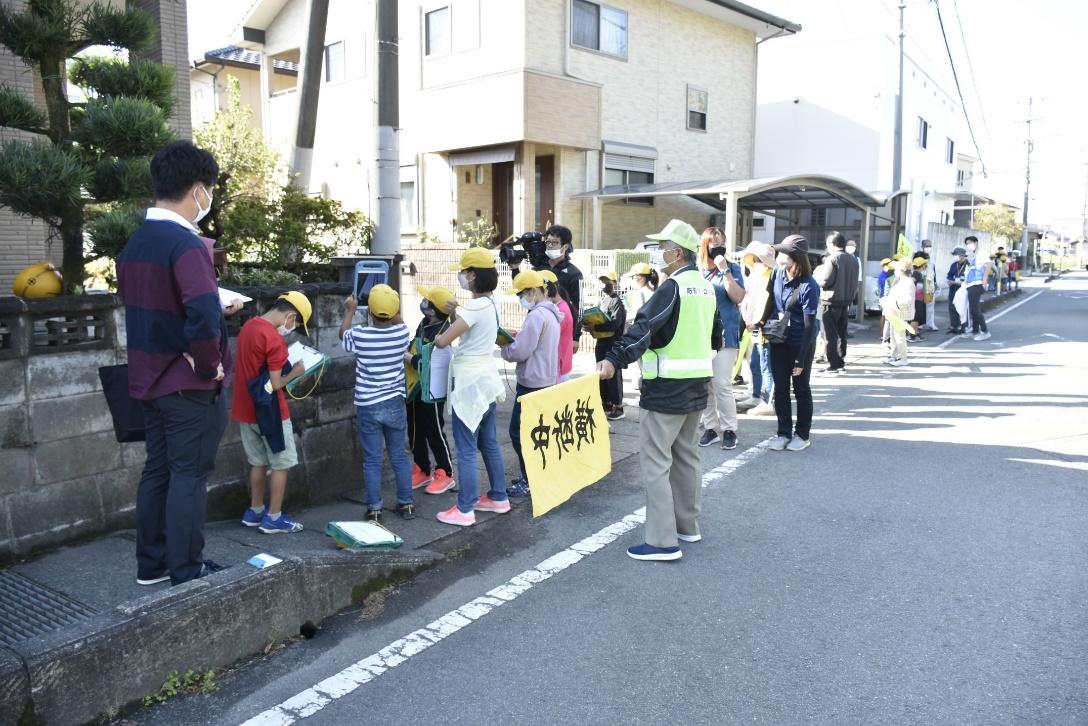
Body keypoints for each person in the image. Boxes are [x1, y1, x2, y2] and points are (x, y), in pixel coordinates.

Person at [118, 140, 230, 586]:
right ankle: (187, 570)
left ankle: (151, 564)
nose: (210, 200)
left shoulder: (136, 243)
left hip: (148, 379)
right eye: (211, 191)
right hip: (187, 385)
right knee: (189, 476)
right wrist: (208, 365)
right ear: (198, 190)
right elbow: (202, 312)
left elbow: (147, 305)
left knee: (158, 471)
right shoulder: (186, 244)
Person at [597, 219, 721, 562]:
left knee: (656, 463)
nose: (659, 253)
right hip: (698, 386)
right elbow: (716, 336)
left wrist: (613, 359)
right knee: (687, 458)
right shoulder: (706, 286)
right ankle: (688, 526)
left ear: (677, 253)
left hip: (666, 389)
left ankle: (662, 541)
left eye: (662, 246)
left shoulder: (673, 287)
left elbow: (644, 328)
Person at [433, 248, 510, 525]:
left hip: (469, 384)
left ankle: (465, 509)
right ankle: (499, 497)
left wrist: (448, 320)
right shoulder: (490, 303)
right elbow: (468, 329)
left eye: (465, 272)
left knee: (466, 448)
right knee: (489, 443)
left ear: (474, 275)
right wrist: (457, 315)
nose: (462, 277)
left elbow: (443, 341)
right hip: (487, 380)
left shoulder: (474, 307)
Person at [235, 292, 312, 534]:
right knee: (281, 463)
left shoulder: (249, 326)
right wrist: (297, 372)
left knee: (257, 462)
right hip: (271, 413)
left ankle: (255, 511)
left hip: (246, 409)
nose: (293, 328)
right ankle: (273, 518)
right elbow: (277, 383)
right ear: (290, 316)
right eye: (296, 323)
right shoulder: (274, 340)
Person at [340, 284, 416, 521]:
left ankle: (374, 508)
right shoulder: (401, 334)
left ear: (369, 312)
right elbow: (400, 322)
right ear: (394, 311)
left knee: (372, 459)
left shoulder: (360, 335)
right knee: (399, 456)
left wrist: (350, 310)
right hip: (394, 402)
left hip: (368, 405)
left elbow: (343, 335)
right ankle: (406, 504)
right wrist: (393, 309)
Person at [501, 270, 562, 497]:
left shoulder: (536, 315)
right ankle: (536, 475)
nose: (520, 298)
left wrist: (505, 346)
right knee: (536, 434)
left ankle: (529, 479)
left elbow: (521, 351)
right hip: (545, 379)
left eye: (521, 293)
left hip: (531, 383)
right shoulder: (552, 313)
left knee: (519, 433)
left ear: (534, 291)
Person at [764, 235, 819, 452]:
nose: (780, 257)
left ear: (797, 257)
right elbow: (771, 301)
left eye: (785, 253)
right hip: (779, 340)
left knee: (801, 388)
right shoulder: (777, 273)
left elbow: (808, 326)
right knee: (781, 388)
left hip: (800, 342)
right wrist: (761, 322)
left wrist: (801, 358)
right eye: (780, 252)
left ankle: (802, 434)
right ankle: (783, 432)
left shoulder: (809, 285)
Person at [696, 228, 745, 451]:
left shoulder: (732, 268)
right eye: (714, 243)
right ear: (705, 246)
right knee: (704, 383)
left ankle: (729, 430)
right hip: (701, 335)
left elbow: (738, 297)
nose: (719, 247)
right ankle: (711, 427)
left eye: (722, 243)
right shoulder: (697, 271)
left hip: (725, 334)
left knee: (721, 383)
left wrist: (725, 271)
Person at [409, 285, 456, 496]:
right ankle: (422, 467)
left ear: (434, 310)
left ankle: (444, 471)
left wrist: (409, 358)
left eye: (428, 302)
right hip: (415, 386)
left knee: (434, 429)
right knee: (415, 427)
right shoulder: (424, 323)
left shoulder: (443, 330)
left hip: (433, 389)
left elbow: (429, 360)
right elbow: (414, 344)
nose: (424, 304)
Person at [514, 225, 584, 341]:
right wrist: (515, 268)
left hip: (560, 330)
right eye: (548, 242)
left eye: (555, 243)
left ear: (565, 246)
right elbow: (522, 290)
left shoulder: (574, 274)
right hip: (536, 325)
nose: (550, 246)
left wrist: (576, 337)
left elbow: (579, 307)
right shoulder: (538, 269)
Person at [739, 241, 776, 416]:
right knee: (756, 363)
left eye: (759, 260)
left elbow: (765, 304)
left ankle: (767, 402)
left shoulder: (771, 277)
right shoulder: (758, 275)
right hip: (755, 327)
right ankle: (757, 396)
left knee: (766, 366)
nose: (755, 262)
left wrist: (758, 322)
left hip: (764, 328)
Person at [585, 271, 627, 420]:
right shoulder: (603, 300)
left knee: (613, 375)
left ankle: (618, 406)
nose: (604, 285)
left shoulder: (617, 302)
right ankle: (606, 403)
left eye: (607, 281)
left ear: (614, 283)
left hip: (613, 343)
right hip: (601, 342)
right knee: (601, 373)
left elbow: (615, 324)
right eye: (602, 281)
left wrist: (595, 328)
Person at [818, 231, 860, 374]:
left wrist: (817, 281)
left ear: (831, 244)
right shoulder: (853, 259)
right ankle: (841, 360)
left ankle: (833, 364)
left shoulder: (832, 259)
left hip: (830, 301)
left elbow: (826, 281)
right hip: (846, 302)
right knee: (842, 332)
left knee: (831, 335)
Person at [540, 269, 574, 381]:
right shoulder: (559, 307)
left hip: (559, 368)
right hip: (559, 366)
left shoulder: (560, 311)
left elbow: (543, 337)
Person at [886, 259, 915, 367]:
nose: (895, 270)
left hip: (901, 312)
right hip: (895, 311)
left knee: (899, 336)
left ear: (902, 270)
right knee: (893, 335)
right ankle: (893, 356)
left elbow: (907, 299)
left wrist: (897, 305)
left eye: (897, 269)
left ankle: (903, 358)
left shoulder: (908, 281)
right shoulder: (899, 280)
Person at [963, 236, 992, 341]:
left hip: (977, 283)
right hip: (971, 284)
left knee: (975, 309)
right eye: (967, 243)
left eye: (970, 242)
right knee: (973, 309)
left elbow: (989, 264)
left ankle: (985, 331)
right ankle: (975, 330)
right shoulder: (975, 254)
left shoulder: (981, 253)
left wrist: (985, 279)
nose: (968, 245)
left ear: (976, 242)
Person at [946, 246, 969, 334]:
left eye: (957, 255)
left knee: (961, 308)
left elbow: (967, 278)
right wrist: (949, 280)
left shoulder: (968, 265)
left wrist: (960, 281)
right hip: (952, 289)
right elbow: (949, 275)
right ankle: (953, 326)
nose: (956, 257)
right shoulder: (953, 265)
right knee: (951, 307)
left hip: (962, 290)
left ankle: (962, 326)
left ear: (962, 256)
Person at [920, 240, 940, 331]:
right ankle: (919, 323)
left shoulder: (931, 257)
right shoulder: (918, 256)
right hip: (921, 283)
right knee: (919, 304)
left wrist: (935, 283)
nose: (928, 248)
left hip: (930, 283)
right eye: (927, 246)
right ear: (922, 246)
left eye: (930, 246)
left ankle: (930, 323)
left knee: (930, 304)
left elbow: (933, 270)